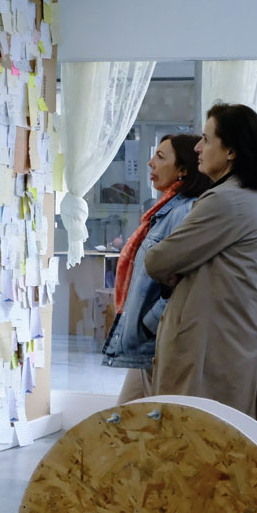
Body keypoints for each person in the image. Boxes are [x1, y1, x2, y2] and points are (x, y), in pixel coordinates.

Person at [141, 103, 257, 422]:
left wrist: (175, 268)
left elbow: (158, 261)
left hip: (209, 353)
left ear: (231, 151)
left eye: (206, 139)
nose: (197, 148)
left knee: (191, 439)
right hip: (229, 347)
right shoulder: (252, 198)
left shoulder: (226, 201)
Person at [106, 134, 212, 402]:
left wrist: (149, 323)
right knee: (127, 416)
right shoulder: (165, 209)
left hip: (160, 340)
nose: (151, 162)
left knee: (144, 418)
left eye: (161, 157)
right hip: (149, 342)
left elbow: (184, 281)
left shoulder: (185, 211)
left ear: (183, 169)